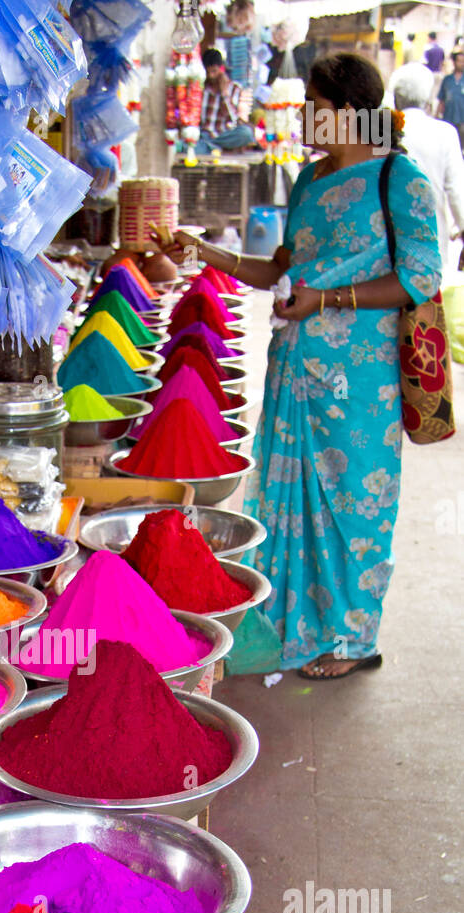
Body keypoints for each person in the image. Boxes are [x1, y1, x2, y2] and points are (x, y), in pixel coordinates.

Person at [153, 52, 442, 678]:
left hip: (360, 383)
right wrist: (206, 253)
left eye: (315, 105)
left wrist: (331, 299)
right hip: (296, 369)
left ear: (348, 114)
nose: (304, 115)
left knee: (354, 508)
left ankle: (350, 639)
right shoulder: (309, 183)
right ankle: (290, 624)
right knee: (292, 504)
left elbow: (421, 277)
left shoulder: (400, 180)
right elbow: (281, 268)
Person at [392, 62, 464, 273]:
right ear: (427, 99)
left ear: (396, 99)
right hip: (432, 239)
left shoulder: (381, 133)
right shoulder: (444, 133)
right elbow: (456, 191)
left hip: (389, 241)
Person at [196, 47, 257, 156]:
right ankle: (216, 149)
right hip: (203, 136)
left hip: (223, 135)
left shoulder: (234, 88)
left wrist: (224, 94)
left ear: (221, 69)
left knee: (246, 133)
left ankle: (212, 149)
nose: (211, 76)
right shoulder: (200, 87)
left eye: (214, 71)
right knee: (189, 145)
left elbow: (232, 118)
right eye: (208, 72)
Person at [437, 50, 464, 149]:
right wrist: (437, 116)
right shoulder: (447, 80)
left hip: (462, 120)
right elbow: (441, 100)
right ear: (454, 62)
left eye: (463, 61)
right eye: (459, 61)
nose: (461, 63)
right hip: (448, 118)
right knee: (448, 146)